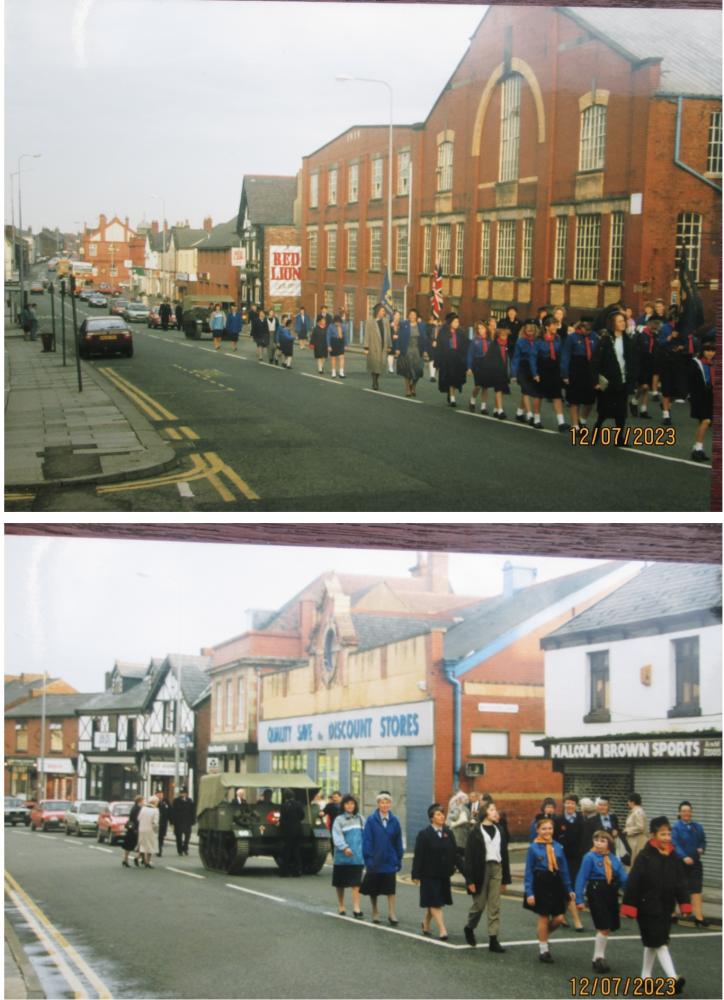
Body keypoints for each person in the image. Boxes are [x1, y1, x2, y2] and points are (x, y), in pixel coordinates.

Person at [621, 816, 691, 991]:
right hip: (647, 907)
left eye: (669, 834)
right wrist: (629, 905)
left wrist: (684, 903)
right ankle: (673, 979)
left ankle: (645, 978)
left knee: (653, 942)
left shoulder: (673, 856)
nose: (667, 837)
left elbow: (680, 882)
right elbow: (633, 882)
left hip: (666, 907)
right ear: (653, 835)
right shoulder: (644, 857)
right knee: (659, 942)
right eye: (662, 834)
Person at [575, 830, 628, 972]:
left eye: (602, 841)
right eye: (596, 840)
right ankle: (598, 957)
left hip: (611, 892)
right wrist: (579, 898)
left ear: (608, 844)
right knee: (603, 925)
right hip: (596, 891)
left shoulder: (613, 859)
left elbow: (623, 878)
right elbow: (581, 878)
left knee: (608, 927)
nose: (599, 843)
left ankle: (597, 958)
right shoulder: (589, 857)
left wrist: (632, 893)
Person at [524, 816, 575, 963]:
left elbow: (564, 869)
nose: (547, 831)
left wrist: (569, 888)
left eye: (550, 828)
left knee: (559, 918)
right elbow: (529, 872)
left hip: (556, 882)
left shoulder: (558, 846)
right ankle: (543, 950)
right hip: (541, 883)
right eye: (544, 829)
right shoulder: (533, 848)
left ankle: (543, 935)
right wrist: (530, 892)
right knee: (544, 917)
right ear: (538, 830)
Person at [463, 800, 511, 952]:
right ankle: (469, 927)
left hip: (496, 868)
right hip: (480, 870)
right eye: (491, 809)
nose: (495, 811)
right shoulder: (475, 832)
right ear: (485, 813)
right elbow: (468, 857)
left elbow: (505, 855)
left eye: (495, 809)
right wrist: (469, 880)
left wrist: (506, 879)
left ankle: (493, 940)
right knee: (479, 905)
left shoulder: (500, 830)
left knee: (494, 905)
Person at [412, 803, 457, 941]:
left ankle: (426, 923)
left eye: (442, 813)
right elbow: (418, 856)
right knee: (435, 902)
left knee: (435, 901)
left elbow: (455, 854)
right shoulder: (424, 835)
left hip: (443, 874)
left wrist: (466, 872)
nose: (442, 816)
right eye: (438, 814)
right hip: (429, 874)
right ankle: (442, 929)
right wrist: (416, 874)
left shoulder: (448, 833)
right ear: (431, 818)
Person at [360, 791, 403, 924]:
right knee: (374, 889)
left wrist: (399, 858)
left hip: (389, 860)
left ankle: (392, 913)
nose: (385, 805)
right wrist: (368, 858)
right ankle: (375, 912)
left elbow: (398, 841)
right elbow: (367, 840)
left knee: (391, 889)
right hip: (375, 860)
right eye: (382, 802)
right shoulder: (371, 820)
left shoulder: (395, 821)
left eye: (387, 802)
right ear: (378, 804)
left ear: (390, 804)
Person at [591, 311, 636, 437]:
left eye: (623, 321)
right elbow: (596, 361)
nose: (623, 323)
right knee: (604, 411)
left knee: (621, 412)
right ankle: (596, 430)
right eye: (619, 321)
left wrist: (632, 380)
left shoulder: (627, 340)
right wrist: (595, 381)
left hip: (622, 380)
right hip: (608, 380)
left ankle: (620, 438)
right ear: (613, 324)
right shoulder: (605, 340)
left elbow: (632, 361)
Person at [671, 801, 706, 926]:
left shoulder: (698, 827)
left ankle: (699, 918)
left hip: (695, 864)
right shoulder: (675, 828)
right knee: (677, 889)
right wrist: (684, 856)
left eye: (688, 811)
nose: (686, 813)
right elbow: (675, 844)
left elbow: (702, 841)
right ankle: (672, 915)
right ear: (679, 813)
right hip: (680, 864)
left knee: (696, 890)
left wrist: (702, 848)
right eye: (684, 811)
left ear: (691, 812)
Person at [530, 315, 567, 431]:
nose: (556, 327)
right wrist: (535, 373)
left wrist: (563, 372)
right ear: (547, 327)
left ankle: (561, 423)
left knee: (557, 395)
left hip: (554, 370)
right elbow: (533, 357)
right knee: (538, 395)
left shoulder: (558, 338)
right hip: (542, 369)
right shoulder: (538, 340)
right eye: (554, 325)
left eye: (556, 324)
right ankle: (536, 420)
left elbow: (560, 355)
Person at [332, 794, 366, 918]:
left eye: (352, 803)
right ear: (343, 805)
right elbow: (337, 835)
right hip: (342, 857)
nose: (350, 806)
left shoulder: (361, 819)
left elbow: (366, 836)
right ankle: (341, 905)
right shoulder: (339, 820)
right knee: (340, 884)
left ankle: (356, 908)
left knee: (356, 884)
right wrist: (344, 847)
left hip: (357, 857)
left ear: (355, 805)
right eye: (347, 803)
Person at [561, 321, 598, 431]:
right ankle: (575, 426)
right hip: (576, 368)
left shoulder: (595, 337)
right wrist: (565, 374)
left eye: (589, 329)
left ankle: (582, 420)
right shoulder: (572, 338)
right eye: (585, 329)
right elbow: (566, 355)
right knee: (574, 399)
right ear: (580, 327)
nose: (587, 331)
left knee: (590, 400)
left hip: (590, 369)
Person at [557, 793, 585, 931]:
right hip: (562, 858)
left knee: (572, 885)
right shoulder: (559, 820)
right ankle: (570, 918)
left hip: (577, 858)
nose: (569, 805)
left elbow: (585, 838)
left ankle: (565, 915)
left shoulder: (581, 818)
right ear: (564, 804)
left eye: (572, 803)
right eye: (567, 803)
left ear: (576, 805)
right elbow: (555, 839)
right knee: (565, 885)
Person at [688, 335, 715, 462]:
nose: (710, 353)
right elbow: (691, 380)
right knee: (706, 421)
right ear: (703, 351)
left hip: (711, 395)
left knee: (704, 423)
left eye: (713, 350)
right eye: (708, 350)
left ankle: (698, 448)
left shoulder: (715, 363)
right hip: (700, 396)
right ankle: (697, 448)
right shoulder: (696, 363)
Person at [434, 312, 467, 407]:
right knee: (450, 378)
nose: (457, 323)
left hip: (457, 358)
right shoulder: (443, 332)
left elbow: (465, 346)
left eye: (458, 321)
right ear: (450, 322)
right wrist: (437, 361)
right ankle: (452, 398)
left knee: (455, 378)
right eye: (455, 321)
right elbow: (439, 347)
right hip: (447, 358)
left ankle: (451, 393)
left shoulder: (461, 333)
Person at [395, 308, 429, 397]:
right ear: (408, 316)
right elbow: (399, 337)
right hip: (407, 350)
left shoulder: (421, 326)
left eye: (414, 315)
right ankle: (407, 389)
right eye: (410, 314)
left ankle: (413, 386)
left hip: (417, 350)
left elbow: (425, 339)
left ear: (417, 316)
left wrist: (425, 350)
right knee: (407, 371)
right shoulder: (404, 325)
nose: (412, 316)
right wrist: (398, 348)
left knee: (418, 370)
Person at [631, 317, 659, 419]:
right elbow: (634, 350)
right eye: (653, 324)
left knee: (647, 388)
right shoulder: (641, 336)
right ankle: (634, 401)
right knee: (644, 386)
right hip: (641, 364)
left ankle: (643, 410)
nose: (655, 327)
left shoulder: (655, 336)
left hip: (650, 364)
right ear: (648, 324)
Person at [511, 322, 538, 424]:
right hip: (522, 368)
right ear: (524, 330)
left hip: (532, 368)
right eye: (528, 330)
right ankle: (530, 415)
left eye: (532, 330)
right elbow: (516, 358)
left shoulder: (537, 341)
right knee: (526, 391)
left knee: (526, 391)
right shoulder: (520, 342)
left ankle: (519, 413)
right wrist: (513, 374)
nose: (530, 332)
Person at [363, 304, 391, 391]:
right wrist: (366, 347)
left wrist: (389, 345)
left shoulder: (386, 321)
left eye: (384, 311)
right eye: (382, 311)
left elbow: (388, 334)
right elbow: (367, 334)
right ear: (378, 311)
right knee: (374, 365)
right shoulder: (370, 321)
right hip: (373, 346)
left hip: (383, 345)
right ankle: (374, 382)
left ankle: (376, 379)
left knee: (381, 365)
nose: (384, 312)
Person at [467, 320, 492, 414]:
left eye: (482, 328)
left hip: (487, 363)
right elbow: (470, 354)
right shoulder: (475, 341)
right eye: (479, 328)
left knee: (485, 386)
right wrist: (469, 367)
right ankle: (472, 400)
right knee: (478, 385)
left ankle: (483, 407)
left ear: (486, 328)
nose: (481, 330)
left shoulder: (490, 340)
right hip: (478, 363)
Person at [279, 789, 305, 876]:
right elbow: (302, 816)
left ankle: (285, 871)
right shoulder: (299, 804)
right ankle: (297, 871)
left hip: (288, 830)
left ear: (285, 797)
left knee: (287, 851)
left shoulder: (284, 806)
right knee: (296, 850)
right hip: (298, 829)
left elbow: (283, 818)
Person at [446, 791, 470, 874]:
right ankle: (463, 867)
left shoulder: (457, 808)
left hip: (457, 833)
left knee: (456, 852)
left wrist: (449, 813)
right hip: (464, 833)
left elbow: (454, 817)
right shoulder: (466, 809)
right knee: (462, 851)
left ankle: (457, 867)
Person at [624, 793, 647, 867]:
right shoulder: (635, 811)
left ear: (632, 802)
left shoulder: (638, 812)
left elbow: (640, 827)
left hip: (637, 841)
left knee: (635, 863)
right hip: (633, 840)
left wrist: (628, 830)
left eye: (628, 801)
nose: (627, 803)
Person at [171, 786, 195, 856]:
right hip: (179, 822)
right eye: (181, 793)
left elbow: (192, 811)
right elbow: (173, 812)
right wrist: (173, 822)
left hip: (187, 821)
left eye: (184, 793)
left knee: (187, 836)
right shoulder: (176, 801)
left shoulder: (190, 801)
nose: (183, 794)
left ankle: (185, 848)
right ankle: (180, 850)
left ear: (186, 793)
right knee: (179, 837)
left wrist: (193, 820)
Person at [121, 794, 143, 868]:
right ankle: (137, 858)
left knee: (129, 845)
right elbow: (136, 820)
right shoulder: (137, 809)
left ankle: (126, 859)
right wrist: (136, 829)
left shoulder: (134, 808)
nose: (144, 802)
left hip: (131, 829)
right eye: (143, 801)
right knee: (137, 844)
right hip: (134, 829)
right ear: (140, 801)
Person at [138, 795, 159, 868]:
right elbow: (155, 822)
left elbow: (139, 818)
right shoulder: (155, 810)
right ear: (154, 802)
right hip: (150, 830)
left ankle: (143, 859)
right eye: (157, 802)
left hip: (142, 829)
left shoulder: (143, 809)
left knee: (143, 845)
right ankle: (148, 862)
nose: (157, 803)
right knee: (150, 846)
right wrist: (156, 830)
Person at [156, 789, 171, 858]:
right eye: (159, 794)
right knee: (158, 837)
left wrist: (171, 821)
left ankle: (160, 848)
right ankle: (159, 850)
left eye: (161, 794)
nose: (160, 796)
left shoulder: (166, 801)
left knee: (161, 836)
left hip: (164, 822)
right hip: (156, 822)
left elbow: (170, 810)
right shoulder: (154, 802)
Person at [388, 309, 401, 374]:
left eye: (399, 315)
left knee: (398, 354)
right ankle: (390, 367)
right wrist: (392, 335)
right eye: (396, 315)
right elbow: (387, 332)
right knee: (391, 354)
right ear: (393, 316)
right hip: (391, 340)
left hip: (399, 341)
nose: (398, 317)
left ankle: (398, 368)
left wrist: (399, 336)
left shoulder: (401, 324)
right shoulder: (389, 323)